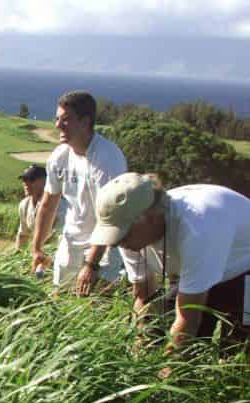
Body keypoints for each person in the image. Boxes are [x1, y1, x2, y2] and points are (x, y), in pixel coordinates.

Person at [91, 173, 250, 348]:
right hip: (206, 262)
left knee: (237, 348)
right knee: (163, 329)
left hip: (244, 264)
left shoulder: (197, 229)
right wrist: (140, 346)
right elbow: (145, 295)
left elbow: (188, 318)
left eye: (122, 233)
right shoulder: (129, 238)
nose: (117, 243)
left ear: (149, 218)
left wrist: (166, 371)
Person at [32, 91, 127, 294]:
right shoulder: (60, 156)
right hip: (70, 241)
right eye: (57, 119)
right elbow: (48, 204)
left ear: (85, 122)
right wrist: (37, 248)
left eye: (66, 120)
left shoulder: (108, 158)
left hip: (103, 247)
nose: (58, 125)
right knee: (60, 299)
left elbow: (110, 218)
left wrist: (91, 265)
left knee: (96, 306)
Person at [15, 165, 64, 256]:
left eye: (31, 179)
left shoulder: (59, 205)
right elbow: (23, 235)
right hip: (38, 254)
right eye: (24, 180)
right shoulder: (24, 205)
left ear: (45, 182)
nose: (26, 183)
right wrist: (17, 256)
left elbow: (62, 236)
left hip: (57, 253)